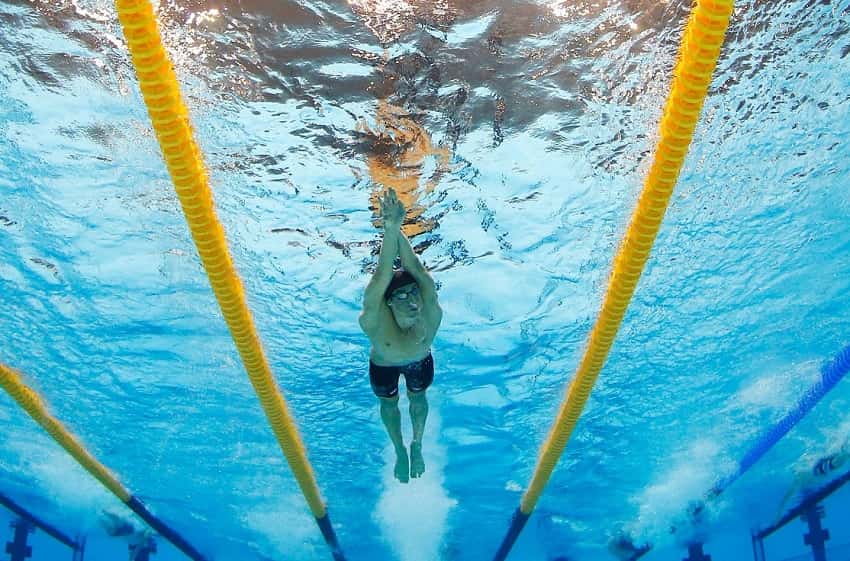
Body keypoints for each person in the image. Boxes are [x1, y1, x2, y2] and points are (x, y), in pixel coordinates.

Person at [359, 188, 443, 483]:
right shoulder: (375, 319)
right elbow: (382, 276)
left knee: (418, 399)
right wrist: (390, 230)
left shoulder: (430, 311)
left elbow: (416, 269)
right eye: (402, 295)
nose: (412, 301)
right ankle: (399, 449)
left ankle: (416, 444)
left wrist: (397, 230)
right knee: (390, 404)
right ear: (389, 302)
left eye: (413, 293)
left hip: (421, 359)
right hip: (384, 366)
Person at [775, 437, 850, 518]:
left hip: (817, 470)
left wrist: (778, 514)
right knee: (839, 456)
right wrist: (778, 514)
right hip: (818, 469)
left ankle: (845, 447)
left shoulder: (801, 478)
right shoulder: (800, 479)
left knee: (838, 460)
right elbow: (786, 498)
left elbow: (786, 498)